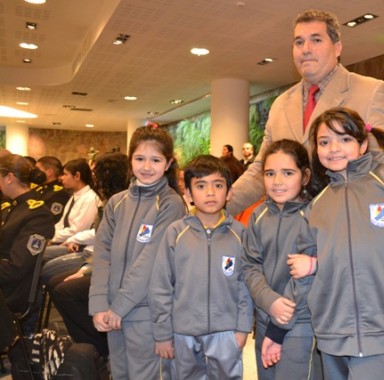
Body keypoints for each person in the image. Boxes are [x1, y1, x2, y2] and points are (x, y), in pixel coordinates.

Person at [289, 107, 384, 379]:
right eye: (324, 142)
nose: (334, 148)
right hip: (331, 333)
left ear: (362, 144)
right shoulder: (317, 206)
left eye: (345, 139)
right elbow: (307, 270)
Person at [226, 9, 384, 216]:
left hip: (347, 223)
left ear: (337, 47)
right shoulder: (280, 104)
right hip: (292, 228)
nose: (306, 49)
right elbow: (260, 170)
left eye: (316, 40)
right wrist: (218, 205)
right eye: (299, 42)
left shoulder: (370, 90)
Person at [89, 126, 186, 379]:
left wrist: (119, 307)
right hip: (112, 310)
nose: (146, 166)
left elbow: (151, 261)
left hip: (145, 313)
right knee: (119, 373)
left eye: (156, 160)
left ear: (168, 163)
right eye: (140, 158)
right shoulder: (116, 202)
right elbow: (102, 254)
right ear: (130, 159)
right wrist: (100, 304)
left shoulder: (170, 203)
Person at [149, 155, 253, 379]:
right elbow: (161, 286)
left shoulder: (240, 234)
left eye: (218, 185)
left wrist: (243, 328)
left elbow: (245, 285)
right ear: (188, 194)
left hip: (226, 332)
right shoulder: (175, 233)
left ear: (229, 192)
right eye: (200, 186)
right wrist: (163, 333)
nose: (210, 193)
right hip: (182, 332)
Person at [241, 139, 319, 379]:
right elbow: (250, 265)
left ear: (304, 176)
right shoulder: (258, 214)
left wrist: (280, 323)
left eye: (287, 173)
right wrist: (269, 301)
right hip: (265, 319)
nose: (277, 182)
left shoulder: (315, 214)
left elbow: (306, 278)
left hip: (299, 324)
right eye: (270, 173)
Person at [49, 152, 130, 358]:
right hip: (99, 259)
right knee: (54, 282)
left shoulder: (121, 202)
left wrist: (86, 270)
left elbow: (114, 247)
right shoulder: (108, 199)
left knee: (64, 290)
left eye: (96, 172)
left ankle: (97, 349)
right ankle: (87, 343)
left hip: (118, 270)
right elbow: (102, 239)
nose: (93, 176)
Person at [0, 154, 54, 333]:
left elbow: (16, 268)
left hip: (12, 291)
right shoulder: (15, 206)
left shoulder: (36, 213)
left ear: (9, 177)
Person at [43, 158, 100, 262]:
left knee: (40, 254)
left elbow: (77, 230)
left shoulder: (90, 198)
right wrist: (48, 235)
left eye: (65, 174)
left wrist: (51, 238)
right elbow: (61, 224)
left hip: (76, 245)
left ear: (77, 176)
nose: (61, 178)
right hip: (63, 240)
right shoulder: (75, 195)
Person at [35, 156, 71, 224]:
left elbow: (50, 219)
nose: (35, 172)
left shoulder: (60, 193)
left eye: (37, 169)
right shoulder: (38, 189)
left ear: (49, 172)